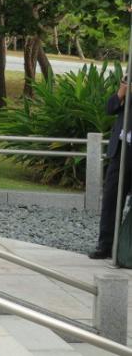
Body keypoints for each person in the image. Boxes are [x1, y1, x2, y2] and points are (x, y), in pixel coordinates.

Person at [89, 74, 132, 259]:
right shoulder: (127, 83)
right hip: (121, 150)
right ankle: (105, 245)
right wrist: (121, 93)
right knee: (111, 199)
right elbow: (110, 108)